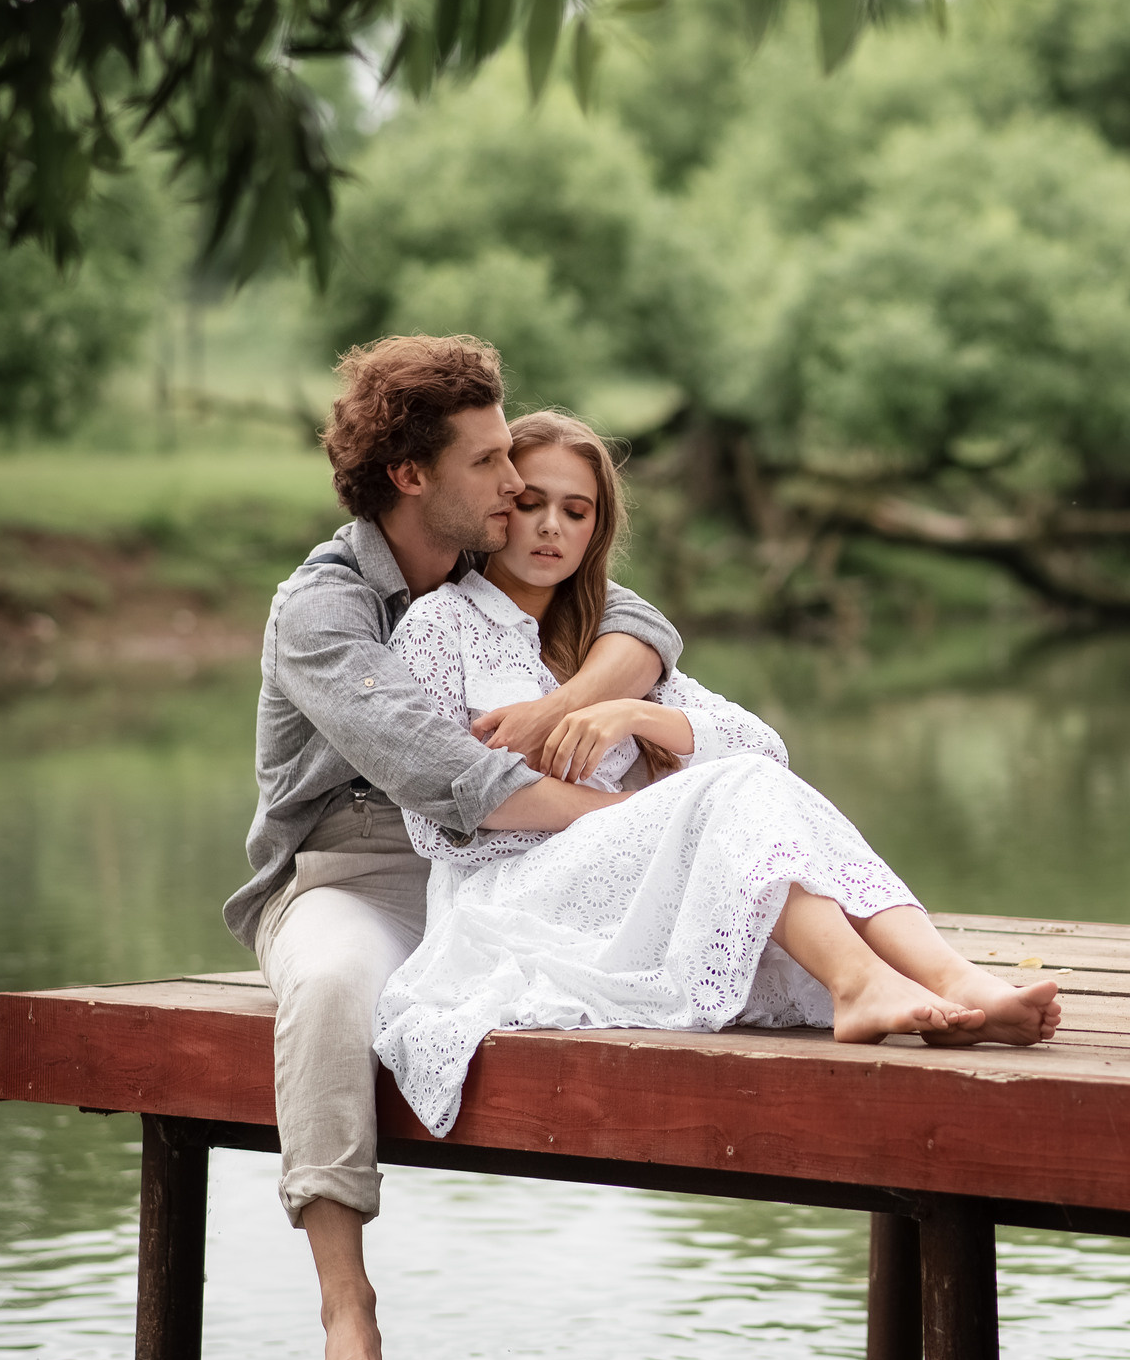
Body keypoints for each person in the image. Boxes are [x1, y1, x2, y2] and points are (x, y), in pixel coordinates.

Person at [371, 408, 1062, 1140]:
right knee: (723, 792)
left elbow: (763, 747)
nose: (551, 527)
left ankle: (952, 980)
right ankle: (862, 980)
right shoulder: (437, 628)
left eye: (575, 511)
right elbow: (435, 820)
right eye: (531, 503)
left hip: (629, 885)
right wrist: (646, 812)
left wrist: (631, 715)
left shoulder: (608, 640)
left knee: (748, 781)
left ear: (595, 528)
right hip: (509, 895)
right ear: (498, 506)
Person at [226, 335, 684, 1360]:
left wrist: (564, 706)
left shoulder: (482, 556)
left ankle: (898, 993)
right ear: (410, 477)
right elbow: (456, 777)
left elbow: (640, 620)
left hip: (517, 861)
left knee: (708, 898)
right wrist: (642, 824)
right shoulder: (323, 611)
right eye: (487, 462)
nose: (518, 485)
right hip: (363, 873)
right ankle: (345, 1301)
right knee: (333, 985)